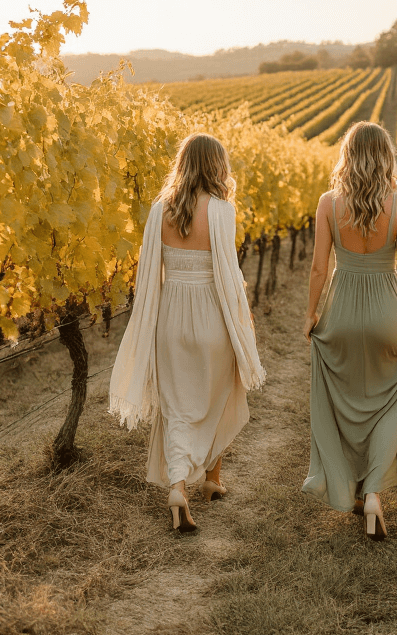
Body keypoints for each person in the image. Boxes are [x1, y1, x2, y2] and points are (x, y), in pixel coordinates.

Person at [109, 133, 265, 532]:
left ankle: (180, 486)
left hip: (170, 318)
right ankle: (212, 478)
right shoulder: (221, 211)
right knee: (221, 393)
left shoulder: (160, 210)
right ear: (216, 167)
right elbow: (229, 275)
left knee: (177, 405)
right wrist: (243, 320)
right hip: (212, 314)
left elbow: (149, 275)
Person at [302, 122, 397, 539]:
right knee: (390, 403)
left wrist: (311, 314)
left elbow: (319, 267)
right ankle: (372, 493)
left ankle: (353, 488)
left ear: (347, 157)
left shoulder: (327, 203)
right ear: (387, 157)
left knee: (344, 402)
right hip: (388, 315)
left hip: (340, 313)